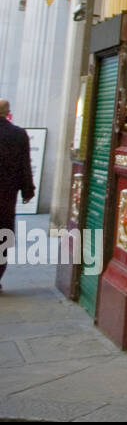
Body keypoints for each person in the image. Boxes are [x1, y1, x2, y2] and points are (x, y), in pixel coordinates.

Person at [0, 100, 35, 292]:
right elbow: (24, 165)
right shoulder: (18, 134)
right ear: (8, 112)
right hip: (6, 196)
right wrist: (28, 190)